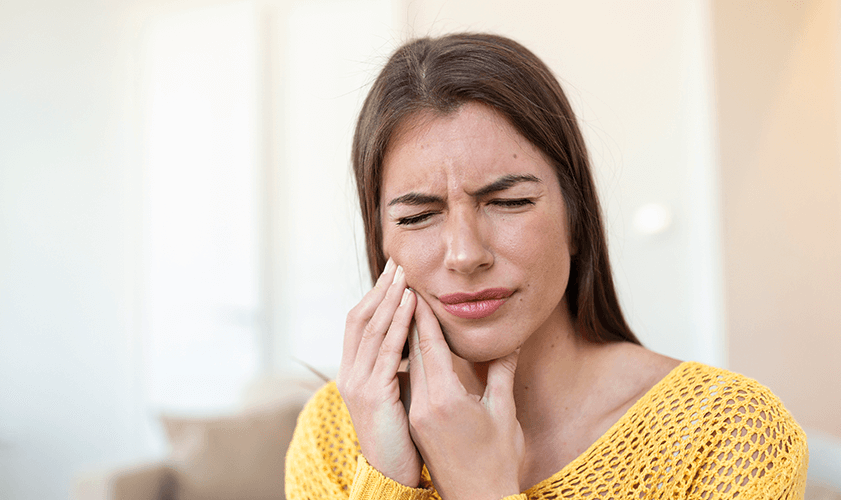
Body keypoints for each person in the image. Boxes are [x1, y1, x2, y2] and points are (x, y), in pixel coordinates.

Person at [285, 33, 808, 500]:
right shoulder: (337, 432)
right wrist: (385, 478)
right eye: (419, 215)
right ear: (382, 242)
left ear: (577, 219)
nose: (465, 254)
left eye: (509, 203)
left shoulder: (729, 433)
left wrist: (482, 490)